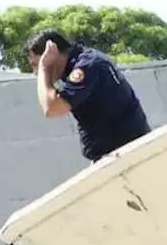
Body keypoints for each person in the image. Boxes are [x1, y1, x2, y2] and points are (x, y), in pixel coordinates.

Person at [27, 29, 152, 163]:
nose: (36, 73)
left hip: (125, 153)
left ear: (52, 54)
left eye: (36, 65)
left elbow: (51, 108)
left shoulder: (86, 65)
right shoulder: (80, 63)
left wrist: (44, 68)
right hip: (120, 152)